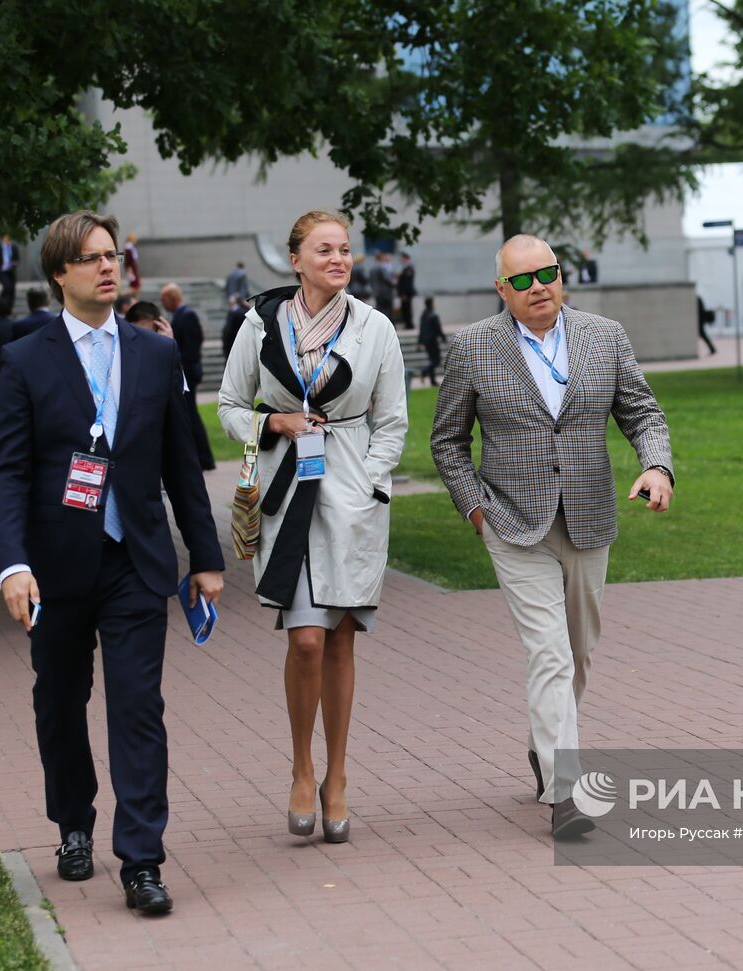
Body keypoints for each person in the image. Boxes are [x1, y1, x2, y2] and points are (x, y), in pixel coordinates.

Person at [0, 210, 224, 916]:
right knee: (59, 704)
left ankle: (142, 857)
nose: (107, 266)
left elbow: (182, 462)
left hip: (136, 562)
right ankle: (73, 824)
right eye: (90, 258)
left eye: (112, 255)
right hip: (55, 568)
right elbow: (7, 473)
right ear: (59, 272)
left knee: (137, 705)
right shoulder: (26, 358)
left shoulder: (155, 354)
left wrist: (204, 557)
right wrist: (12, 565)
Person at [431, 234, 674, 841]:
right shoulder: (471, 348)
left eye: (548, 273)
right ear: (501, 289)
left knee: (579, 649)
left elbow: (642, 411)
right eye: (522, 280)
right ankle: (566, 790)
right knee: (550, 653)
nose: (538, 286)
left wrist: (656, 465)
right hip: (513, 522)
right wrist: (474, 509)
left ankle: (547, 743)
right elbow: (447, 441)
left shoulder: (605, 335)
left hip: (590, 514)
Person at [217, 209, 407, 844]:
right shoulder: (260, 322)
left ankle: (338, 776)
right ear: (294, 259)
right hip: (286, 490)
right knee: (305, 640)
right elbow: (228, 404)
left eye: (345, 249)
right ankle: (300, 768)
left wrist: (372, 486)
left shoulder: (374, 327)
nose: (338, 258)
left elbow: (393, 421)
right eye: (323, 249)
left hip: (351, 494)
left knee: (342, 641)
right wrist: (272, 424)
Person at [160, 283, 215, 471]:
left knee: (191, 415)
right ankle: (201, 458)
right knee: (189, 415)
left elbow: (191, 348)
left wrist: (175, 360)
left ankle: (204, 458)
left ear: (172, 298)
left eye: (164, 299)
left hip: (188, 373)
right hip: (185, 372)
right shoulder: (178, 316)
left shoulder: (187, 316)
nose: (162, 303)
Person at [418, 296, 446, 385]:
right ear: (431, 303)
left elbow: (421, 329)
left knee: (432, 360)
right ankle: (424, 371)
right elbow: (438, 329)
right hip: (432, 340)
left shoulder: (424, 314)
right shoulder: (433, 315)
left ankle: (432, 381)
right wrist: (444, 339)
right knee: (436, 360)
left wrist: (419, 341)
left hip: (426, 341)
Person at [0, 234, 20, 306]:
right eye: (5, 238)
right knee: (7, 287)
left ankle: (10, 305)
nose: (7, 240)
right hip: (2, 271)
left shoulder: (13, 247)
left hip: (11, 270)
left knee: (12, 288)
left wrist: (15, 263)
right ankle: (1, 302)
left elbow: (17, 258)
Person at [221, 294, 248, 362]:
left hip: (233, 345)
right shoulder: (246, 311)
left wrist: (225, 347)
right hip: (244, 344)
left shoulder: (233, 313)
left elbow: (228, 331)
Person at [370, 252, 395, 320]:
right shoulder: (381, 267)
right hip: (385, 292)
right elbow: (386, 279)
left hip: (377, 292)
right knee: (388, 310)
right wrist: (394, 283)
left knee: (379, 309)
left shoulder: (372, 268)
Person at [396, 252, 417, 329]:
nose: (401, 260)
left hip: (406, 293)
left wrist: (404, 293)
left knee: (407, 309)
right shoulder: (406, 268)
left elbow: (407, 283)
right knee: (405, 309)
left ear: (405, 259)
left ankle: (409, 324)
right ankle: (408, 324)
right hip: (405, 293)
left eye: (402, 258)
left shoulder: (409, 268)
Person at [122, 233, 142, 297]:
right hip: (131, 269)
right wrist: (129, 269)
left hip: (132, 269)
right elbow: (128, 261)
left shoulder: (130, 248)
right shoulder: (128, 248)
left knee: (135, 286)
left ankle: (134, 299)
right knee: (136, 286)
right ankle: (121, 295)